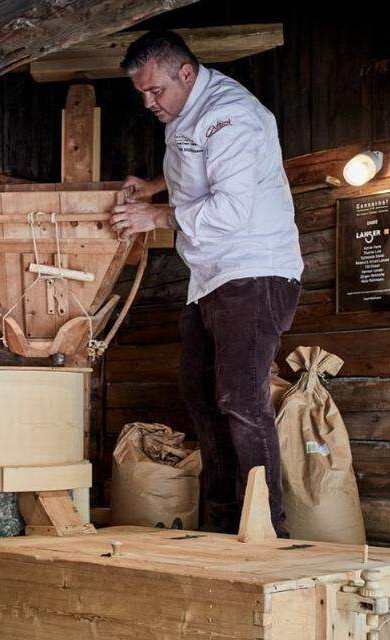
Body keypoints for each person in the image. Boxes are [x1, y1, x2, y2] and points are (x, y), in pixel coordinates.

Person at [109, 30, 303, 536]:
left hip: (254, 268)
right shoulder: (184, 111)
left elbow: (232, 209)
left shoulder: (230, 117)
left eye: (156, 91)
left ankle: (268, 529)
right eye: (142, 95)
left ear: (186, 73)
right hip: (212, 274)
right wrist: (153, 185)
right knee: (198, 389)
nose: (149, 103)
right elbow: (196, 171)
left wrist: (153, 217)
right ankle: (222, 519)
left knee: (241, 398)